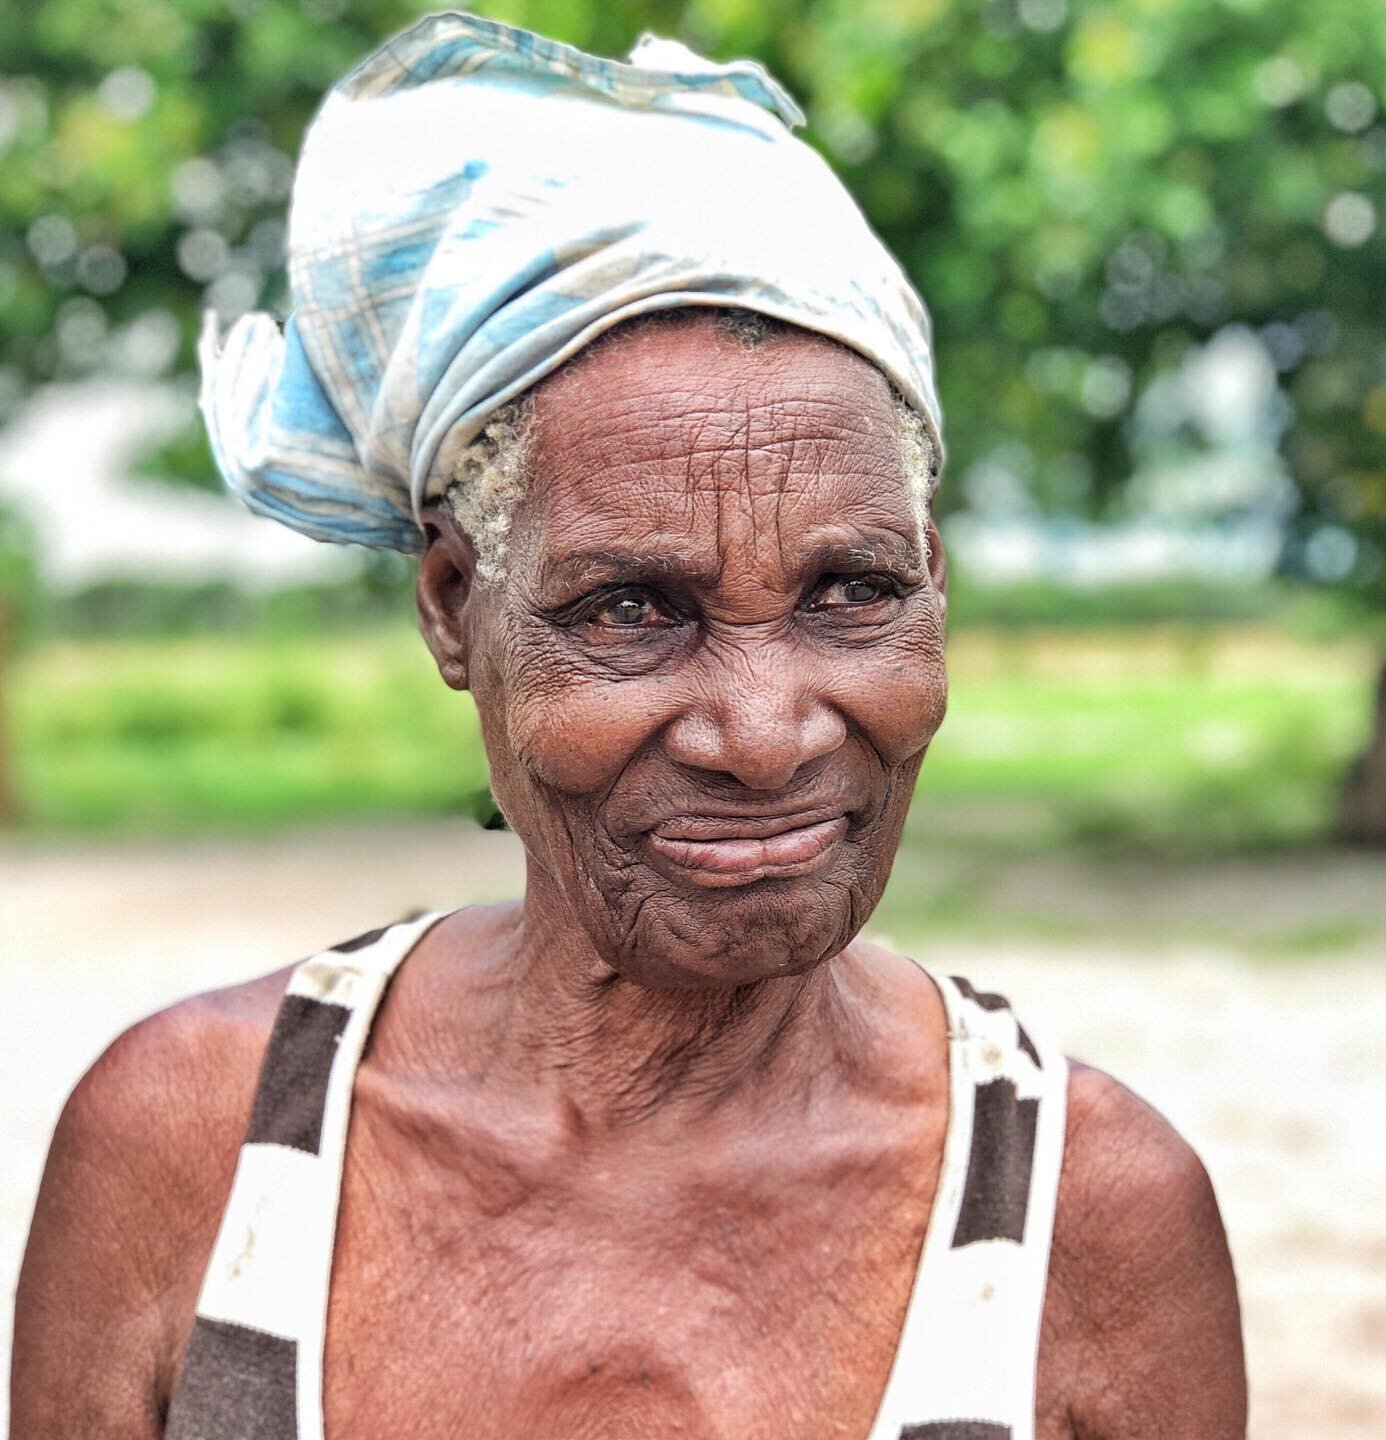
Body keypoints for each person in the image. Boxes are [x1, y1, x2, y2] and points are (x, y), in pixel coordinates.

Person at [12, 15, 1245, 1439]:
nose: (768, 733)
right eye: (633, 611)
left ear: (937, 583)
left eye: (852, 592)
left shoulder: (1092, 1219)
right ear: (455, 605)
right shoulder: (188, 1146)